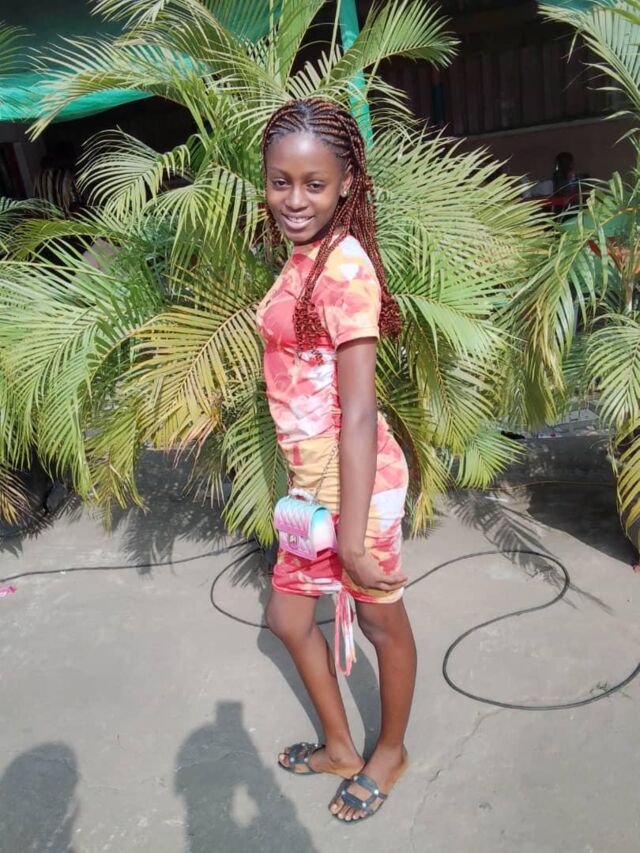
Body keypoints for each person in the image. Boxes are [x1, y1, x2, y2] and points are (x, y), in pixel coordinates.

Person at [255, 98, 416, 824]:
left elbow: (357, 412)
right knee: (289, 618)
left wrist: (351, 538)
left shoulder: (346, 269)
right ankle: (342, 747)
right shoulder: (304, 256)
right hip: (309, 480)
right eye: (280, 181)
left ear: (346, 183)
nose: (295, 199)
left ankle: (390, 751)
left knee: (382, 623)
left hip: (357, 483)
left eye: (314, 184)